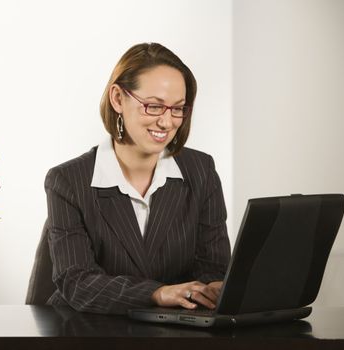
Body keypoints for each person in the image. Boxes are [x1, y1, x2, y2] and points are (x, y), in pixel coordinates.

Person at [26, 42, 230, 315]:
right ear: (118, 99)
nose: (167, 122)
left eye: (177, 108)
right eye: (154, 107)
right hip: (86, 331)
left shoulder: (200, 170)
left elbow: (213, 267)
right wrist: (156, 293)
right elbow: (77, 282)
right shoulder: (68, 181)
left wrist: (222, 287)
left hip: (176, 334)